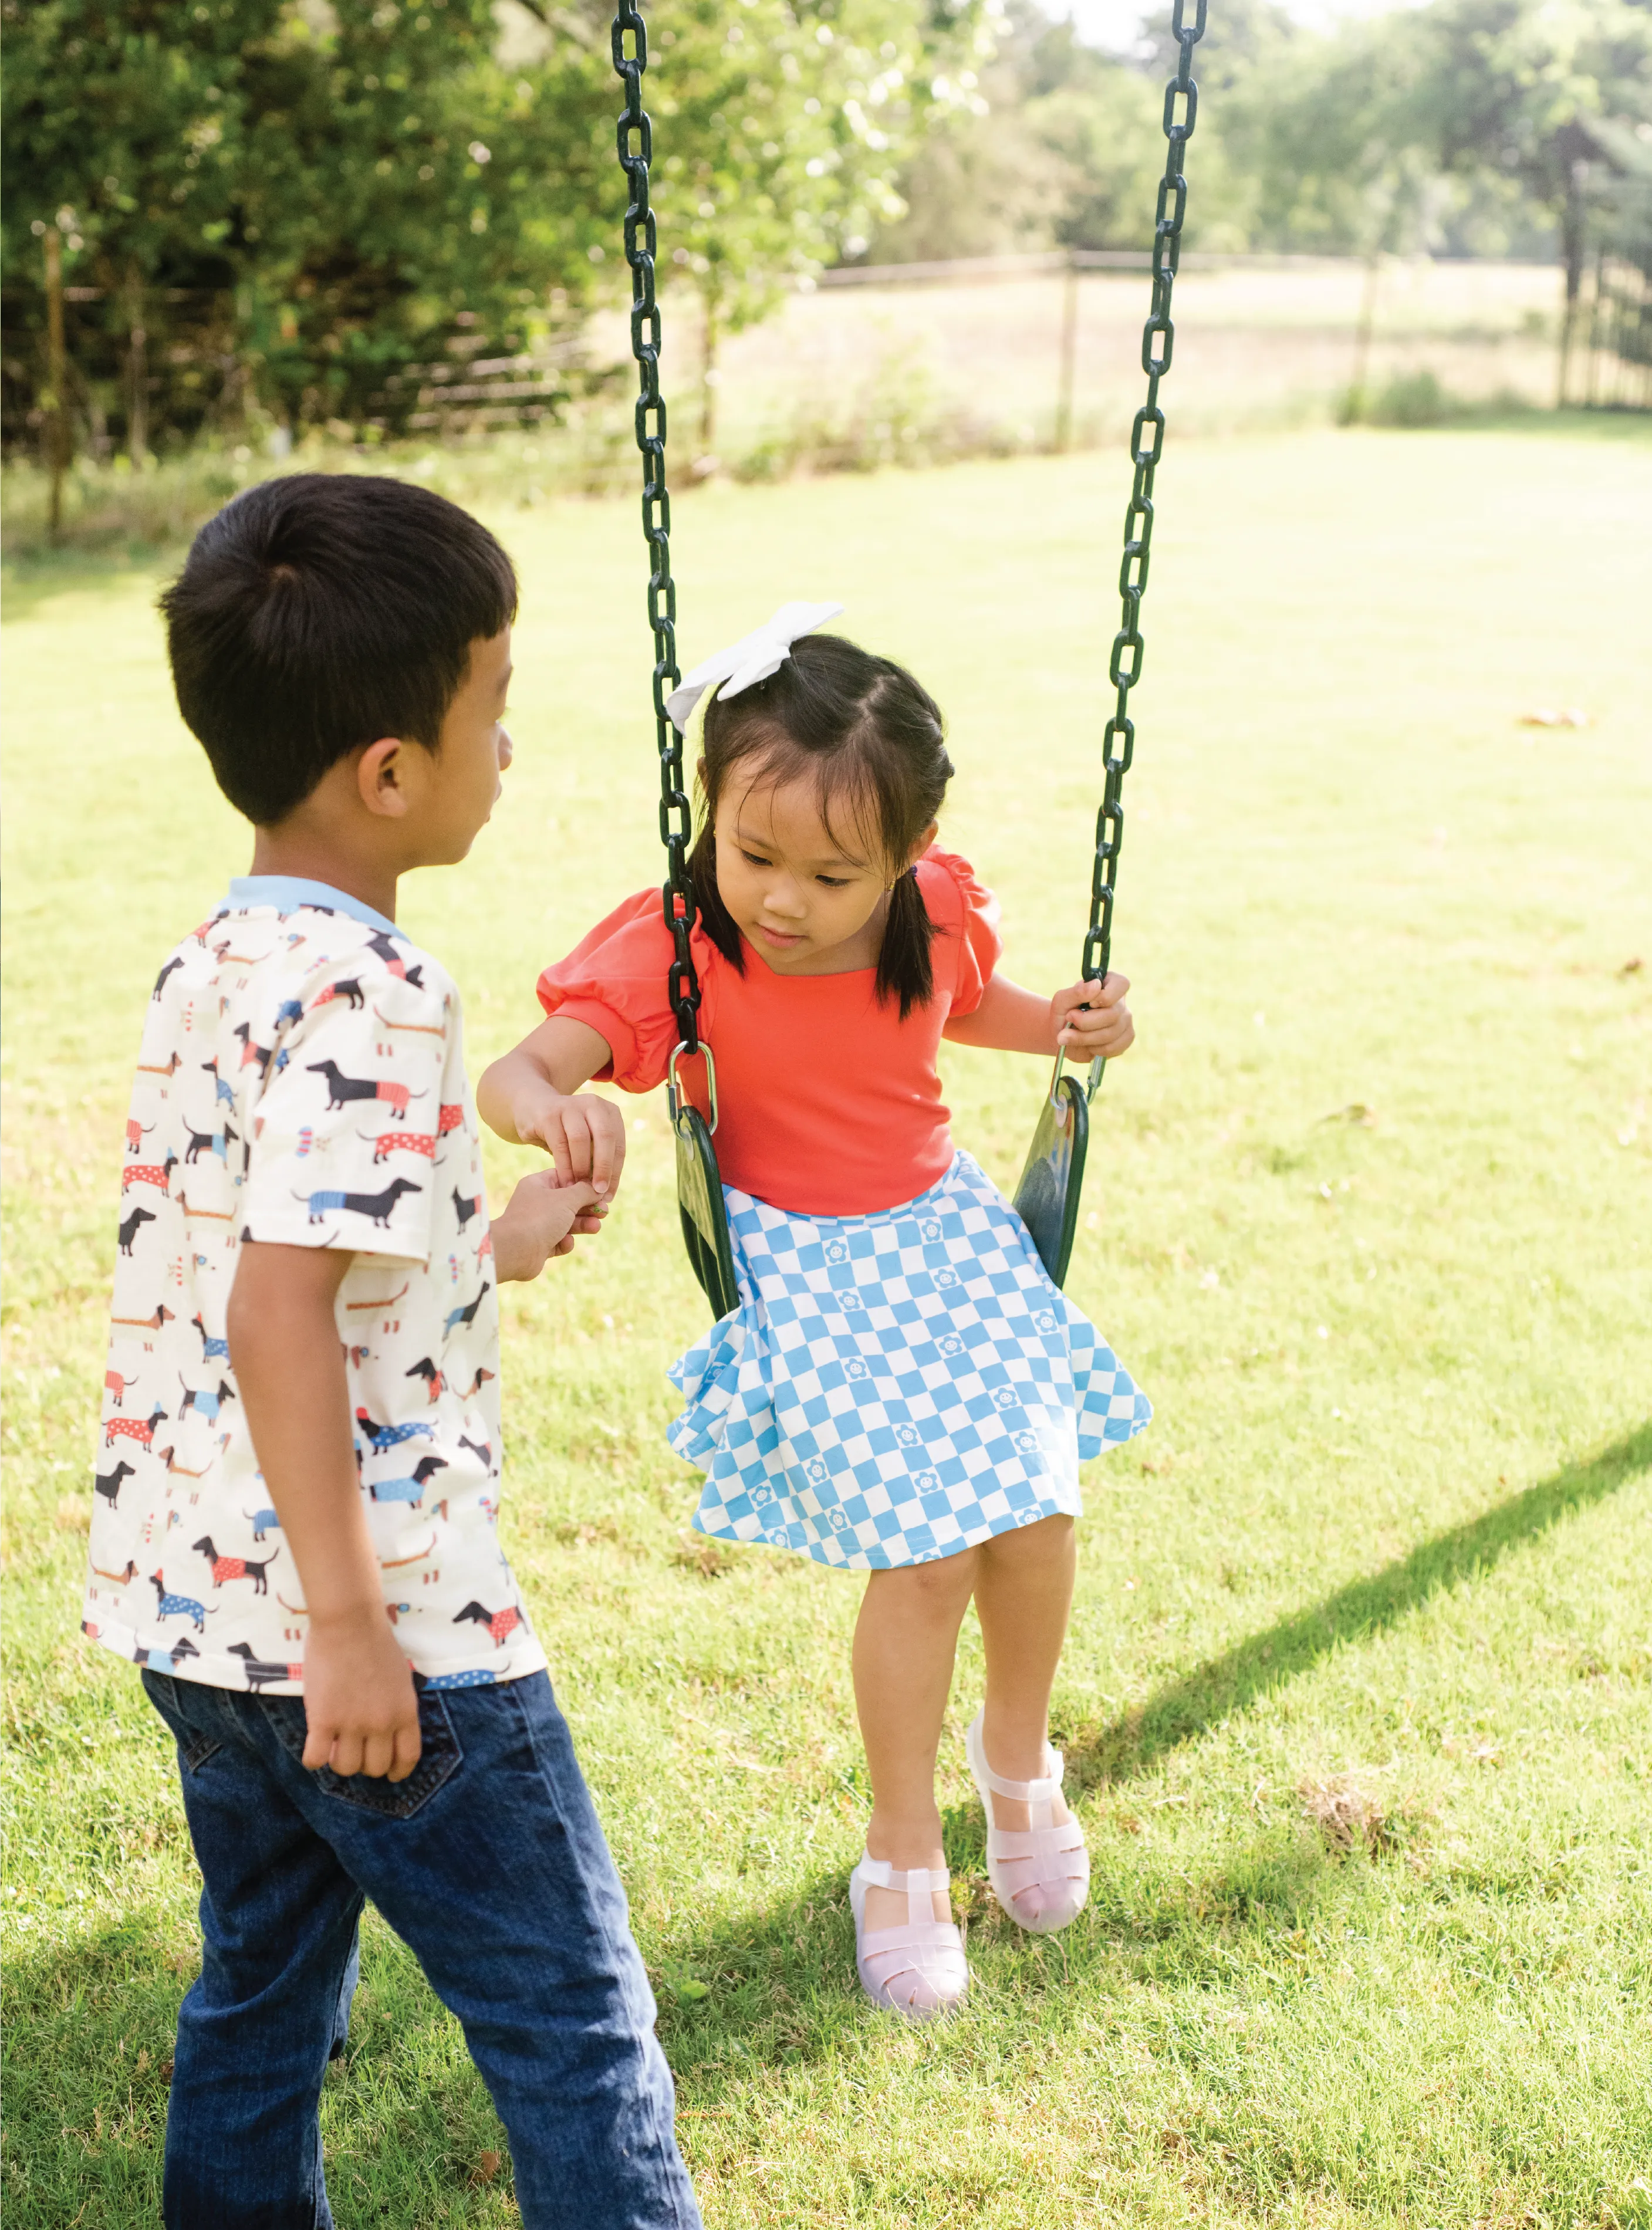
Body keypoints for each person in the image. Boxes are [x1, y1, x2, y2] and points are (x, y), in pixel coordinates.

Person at [82, 472, 703, 2230]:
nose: (507, 747)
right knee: (572, 2024)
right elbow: (277, 1310)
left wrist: (484, 1244)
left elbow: (273, 1262)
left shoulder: (216, 958)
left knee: (260, 1998)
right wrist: (356, 1637)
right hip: (382, 1633)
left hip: (195, 1616)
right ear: (386, 770)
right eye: (489, 711)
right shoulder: (381, 995)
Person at [478, 602, 1151, 2021]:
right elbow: (523, 1068)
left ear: (903, 861)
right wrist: (552, 1107)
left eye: (832, 874)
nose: (782, 898)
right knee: (923, 1551)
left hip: (944, 1235)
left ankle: (1018, 1762)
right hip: (806, 1263)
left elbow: (970, 1009)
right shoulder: (678, 946)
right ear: (712, 814)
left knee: (1037, 1511)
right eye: (755, 853)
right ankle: (900, 1851)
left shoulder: (932, 918)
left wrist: (1070, 1026)